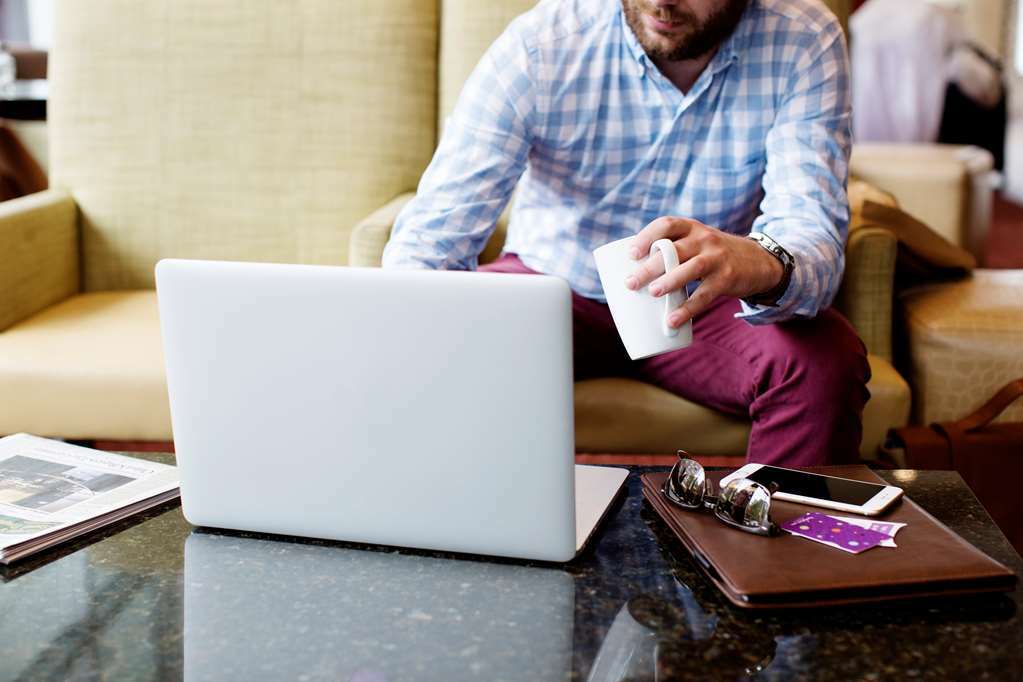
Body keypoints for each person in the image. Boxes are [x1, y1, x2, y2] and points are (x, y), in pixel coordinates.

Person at [383, 0, 869, 466]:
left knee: (823, 363)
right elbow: (433, 239)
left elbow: (809, 229)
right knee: (434, 341)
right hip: (554, 287)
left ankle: (775, 550)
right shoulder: (543, 44)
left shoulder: (803, 39)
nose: (661, 1)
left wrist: (758, 261)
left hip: (702, 304)